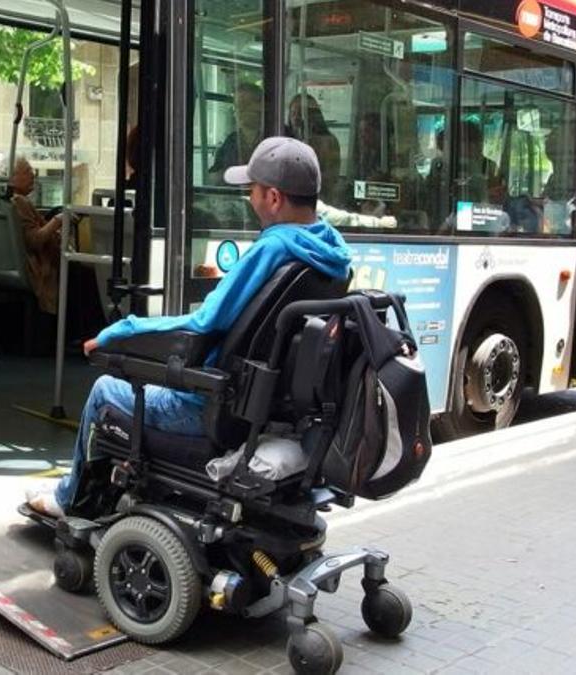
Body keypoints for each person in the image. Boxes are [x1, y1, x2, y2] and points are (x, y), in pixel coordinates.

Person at [26, 137, 353, 517]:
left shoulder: (273, 248)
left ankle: (69, 498)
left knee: (104, 388)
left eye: (253, 190)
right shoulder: (333, 252)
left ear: (274, 198)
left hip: (207, 406)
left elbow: (204, 323)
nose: (249, 198)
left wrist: (122, 331)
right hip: (260, 408)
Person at [7, 157, 105, 338]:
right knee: (88, 275)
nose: (33, 175)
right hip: (37, 265)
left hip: (20, 262)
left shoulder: (12, 202)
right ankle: (85, 334)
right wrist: (59, 220)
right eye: (28, 171)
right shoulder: (19, 202)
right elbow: (35, 241)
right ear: (12, 177)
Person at [207, 82, 265, 184]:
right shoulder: (231, 140)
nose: (240, 110)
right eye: (237, 105)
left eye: (245, 104)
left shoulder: (279, 134)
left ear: (260, 106)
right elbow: (212, 176)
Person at [288, 94, 340, 201]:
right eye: (293, 113)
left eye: (301, 113)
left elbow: (331, 176)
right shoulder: (285, 138)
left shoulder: (327, 141)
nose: (296, 118)